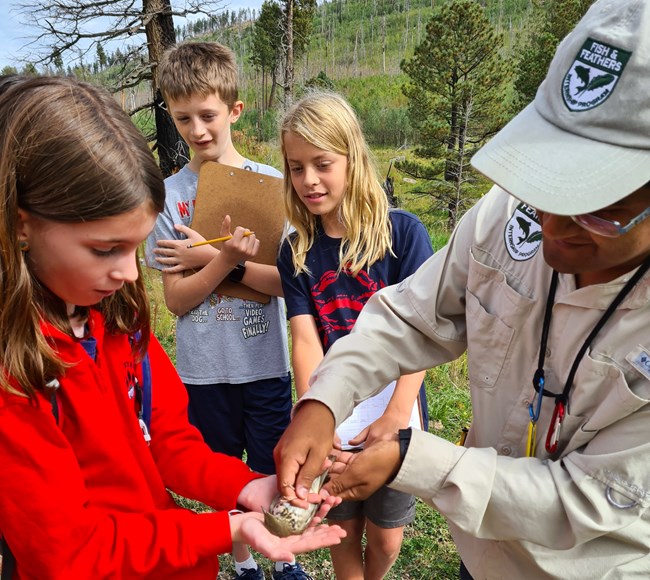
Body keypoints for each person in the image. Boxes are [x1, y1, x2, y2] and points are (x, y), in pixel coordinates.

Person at [274, 1, 650, 578]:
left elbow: (591, 500)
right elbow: (411, 316)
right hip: (482, 554)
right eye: (545, 181)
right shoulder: (508, 218)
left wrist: (414, 459)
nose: (550, 225)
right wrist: (325, 398)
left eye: (599, 208)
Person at [0, 75, 345, 579]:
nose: (127, 274)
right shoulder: (17, 375)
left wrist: (247, 486)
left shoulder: (113, 320)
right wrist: (225, 531)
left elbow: (167, 439)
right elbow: (68, 553)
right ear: (20, 225)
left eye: (133, 247)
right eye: (104, 249)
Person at [144, 41, 304, 580]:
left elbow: (287, 283)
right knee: (220, 473)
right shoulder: (167, 200)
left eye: (208, 115)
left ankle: (282, 558)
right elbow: (177, 300)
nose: (198, 129)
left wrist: (207, 259)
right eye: (183, 117)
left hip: (265, 365)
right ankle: (241, 560)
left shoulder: (275, 188)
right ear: (169, 111)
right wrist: (228, 260)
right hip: (203, 370)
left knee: (271, 468)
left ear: (235, 110)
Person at [277, 91, 433, 580]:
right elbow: (306, 340)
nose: (309, 180)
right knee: (340, 527)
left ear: (353, 157)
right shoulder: (297, 251)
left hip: (396, 408)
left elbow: (423, 331)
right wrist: (315, 417)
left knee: (385, 536)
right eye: (296, 167)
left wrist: (394, 416)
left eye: (322, 163)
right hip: (333, 407)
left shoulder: (402, 235)